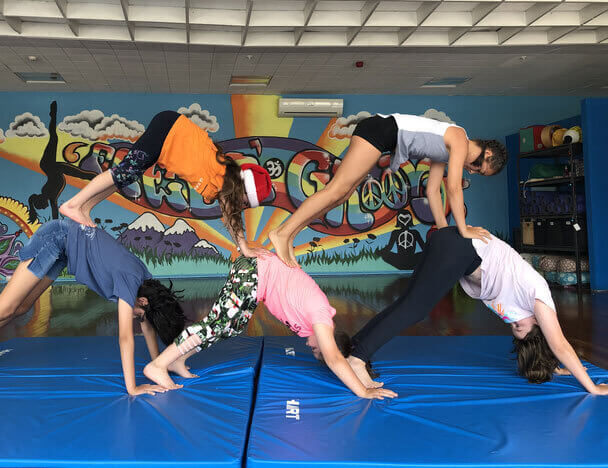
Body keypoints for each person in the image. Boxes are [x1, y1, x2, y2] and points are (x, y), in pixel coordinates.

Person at [0, 219, 187, 398]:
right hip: (57, 239)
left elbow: (148, 325)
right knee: (4, 307)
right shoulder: (131, 281)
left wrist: (157, 364)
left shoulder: (147, 288)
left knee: (22, 307)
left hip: (66, 249)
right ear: (143, 302)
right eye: (140, 315)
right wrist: (133, 387)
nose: (139, 320)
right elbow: (126, 336)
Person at [347, 226, 608, 396]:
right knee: (415, 309)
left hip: (452, 244)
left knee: (407, 303)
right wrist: (592, 387)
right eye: (519, 327)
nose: (512, 323)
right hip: (460, 247)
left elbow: (551, 348)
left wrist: (555, 367)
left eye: (513, 329)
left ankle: (356, 346)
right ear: (537, 324)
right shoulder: (539, 297)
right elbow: (559, 343)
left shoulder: (517, 308)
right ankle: (357, 358)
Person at [143, 253, 397, 400]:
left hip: (258, 278)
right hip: (253, 271)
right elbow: (334, 358)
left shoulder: (312, 326)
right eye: (316, 349)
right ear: (326, 340)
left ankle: (179, 359)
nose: (311, 347)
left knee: (232, 327)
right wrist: (362, 391)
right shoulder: (320, 316)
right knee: (216, 324)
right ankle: (158, 365)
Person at [269, 113, 508, 267]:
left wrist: (444, 231)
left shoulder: (446, 151)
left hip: (382, 136)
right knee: (336, 190)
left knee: (342, 194)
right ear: (487, 154)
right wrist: (464, 230)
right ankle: (281, 233)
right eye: (479, 168)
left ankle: (289, 235)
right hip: (379, 131)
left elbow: (435, 190)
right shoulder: (458, 137)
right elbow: (455, 188)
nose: (473, 172)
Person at [59, 111, 272, 258]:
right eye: (245, 202)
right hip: (169, 130)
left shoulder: (223, 174)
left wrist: (242, 244)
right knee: (125, 170)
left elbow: (230, 210)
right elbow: (230, 212)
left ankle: (85, 208)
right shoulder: (222, 175)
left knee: (127, 176)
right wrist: (243, 246)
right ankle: (73, 205)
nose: (241, 206)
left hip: (169, 132)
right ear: (242, 189)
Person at [28, 101, 94, 223]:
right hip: (55, 169)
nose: (45, 207)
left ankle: (53, 115)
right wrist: (55, 224)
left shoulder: (48, 193)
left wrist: (55, 222)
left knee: (54, 137)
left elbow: (54, 211)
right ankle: (99, 177)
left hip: (50, 165)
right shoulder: (51, 197)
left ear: (42, 201)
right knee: (83, 174)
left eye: (43, 206)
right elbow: (54, 213)